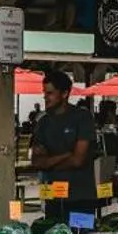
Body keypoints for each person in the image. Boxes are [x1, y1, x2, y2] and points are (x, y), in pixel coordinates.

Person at [28, 69, 96, 223]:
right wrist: (67, 155)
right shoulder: (43, 123)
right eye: (44, 93)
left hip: (82, 198)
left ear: (65, 94)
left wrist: (49, 163)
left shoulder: (82, 117)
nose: (45, 97)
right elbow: (37, 162)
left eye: (50, 93)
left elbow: (78, 160)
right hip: (53, 199)